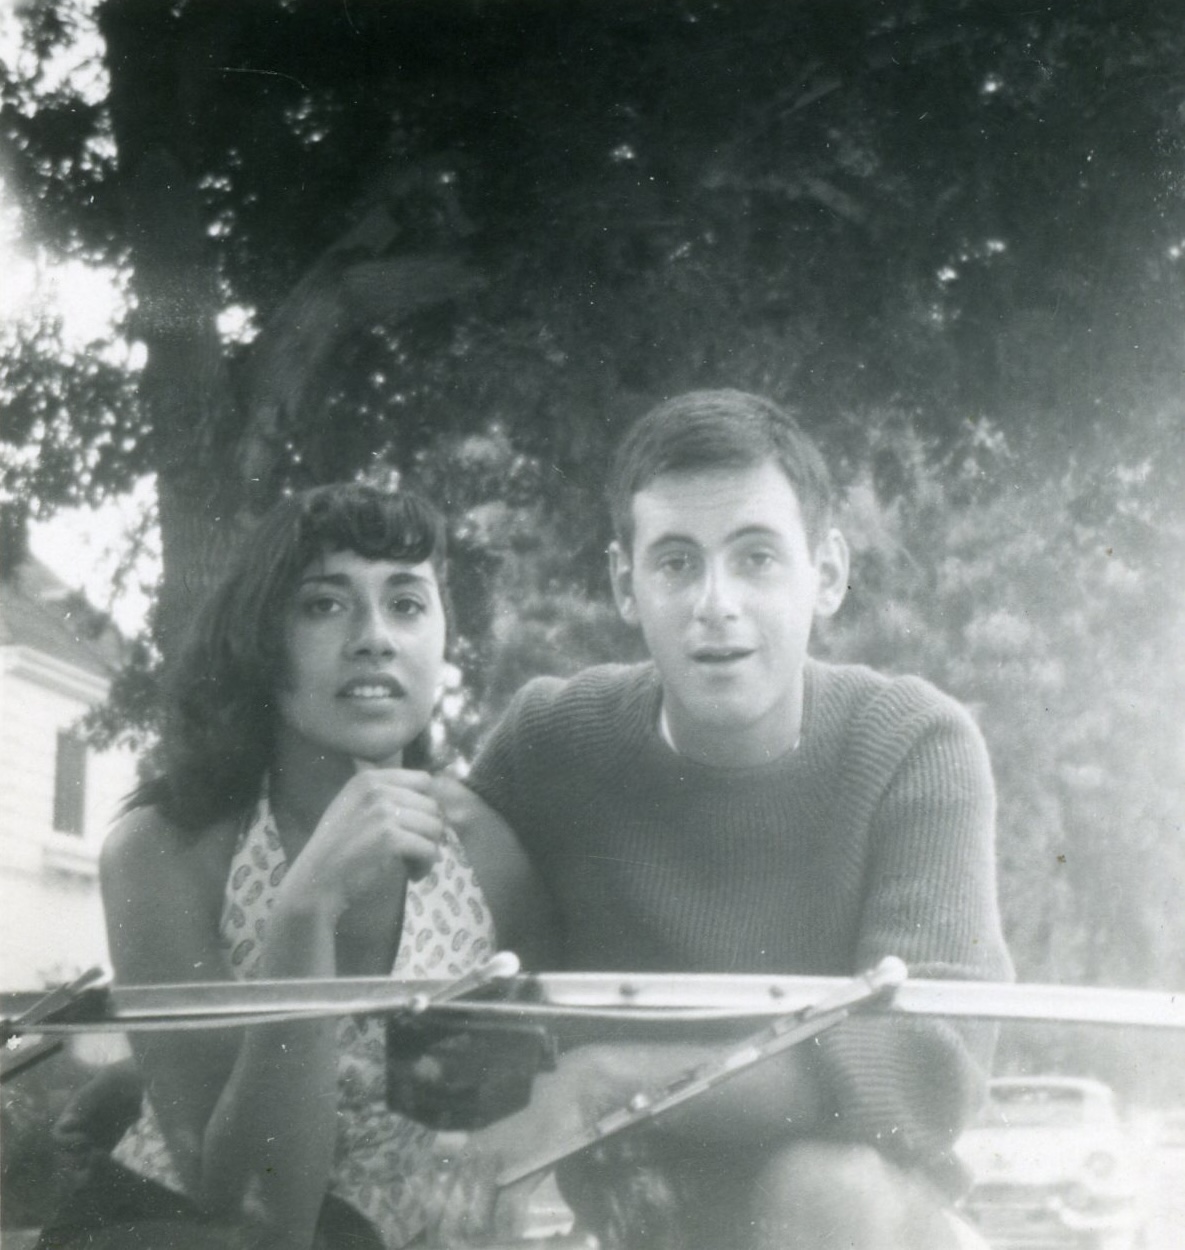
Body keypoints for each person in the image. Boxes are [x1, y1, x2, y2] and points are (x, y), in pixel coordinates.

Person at [458, 390, 1014, 1250]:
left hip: (863, 1226)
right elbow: (444, 979)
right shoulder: (550, 741)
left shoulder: (912, 740)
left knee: (821, 1186)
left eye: (756, 558)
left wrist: (604, 1079)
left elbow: (930, 1060)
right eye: (676, 563)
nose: (715, 602)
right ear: (624, 584)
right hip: (644, 1227)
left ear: (826, 574)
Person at [38, 482, 548, 1250]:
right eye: (324, 604)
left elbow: (493, 1139)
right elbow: (255, 1211)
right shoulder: (163, 849)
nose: (374, 637)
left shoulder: (485, 853)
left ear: (443, 640)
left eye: (406, 604)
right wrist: (305, 911)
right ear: (261, 642)